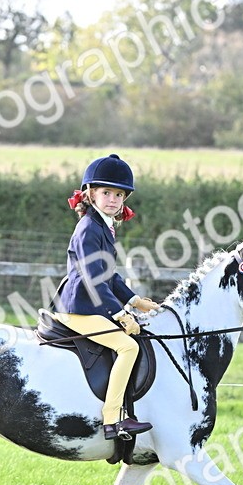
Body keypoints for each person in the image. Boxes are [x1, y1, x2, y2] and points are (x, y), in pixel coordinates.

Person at [53, 154, 160, 441]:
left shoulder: (102, 226)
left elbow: (109, 276)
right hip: (79, 308)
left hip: (90, 304)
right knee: (127, 347)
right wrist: (119, 315)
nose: (113, 199)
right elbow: (93, 278)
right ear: (90, 194)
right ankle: (112, 419)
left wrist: (135, 301)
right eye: (106, 193)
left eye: (118, 194)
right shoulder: (89, 228)